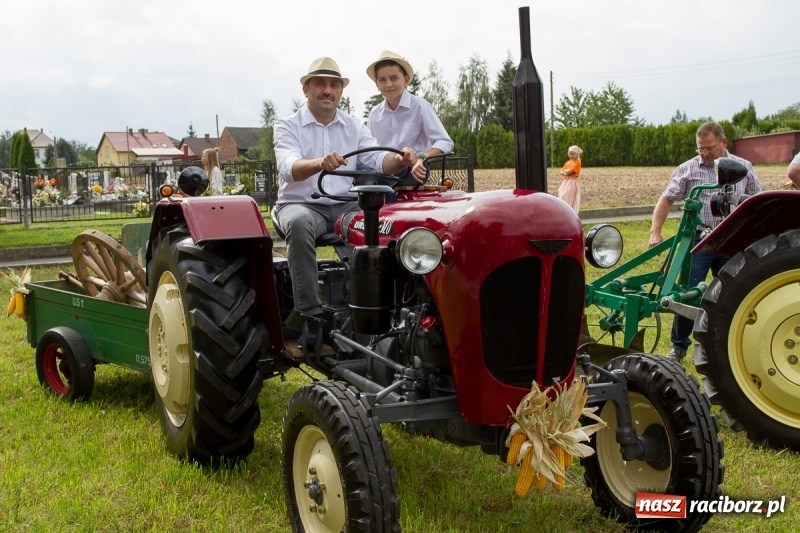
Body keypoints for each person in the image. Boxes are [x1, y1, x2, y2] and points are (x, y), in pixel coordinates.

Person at [273, 56, 419, 322]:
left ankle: (380, 306)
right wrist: (320, 162)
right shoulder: (287, 125)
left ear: (341, 90)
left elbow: (377, 158)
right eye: (320, 84)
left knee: (382, 224)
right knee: (299, 222)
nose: (327, 90)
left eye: (334, 84)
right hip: (301, 204)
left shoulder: (353, 125)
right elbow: (288, 166)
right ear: (306, 89)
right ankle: (309, 313)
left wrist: (399, 160)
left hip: (345, 207)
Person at [649, 121, 762, 361]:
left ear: (724, 142)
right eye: (700, 148)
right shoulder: (688, 169)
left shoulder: (744, 168)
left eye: (709, 148)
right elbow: (666, 199)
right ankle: (678, 347)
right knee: (687, 293)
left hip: (731, 239)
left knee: (737, 292)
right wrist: (655, 232)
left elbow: (758, 202)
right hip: (700, 241)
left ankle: (734, 344)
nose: (704, 153)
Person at [365, 50, 453, 184]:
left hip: (414, 168)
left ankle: (383, 201)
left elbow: (445, 142)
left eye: (394, 78)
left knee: (380, 184)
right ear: (377, 84)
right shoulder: (374, 114)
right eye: (382, 80)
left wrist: (422, 157)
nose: (388, 84)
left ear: (406, 80)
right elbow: (369, 149)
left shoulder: (420, 106)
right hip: (384, 169)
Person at [558, 146, 583, 213]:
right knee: (562, 195)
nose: (571, 155)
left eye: (572, 154)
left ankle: (569, 211)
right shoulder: (568, 162)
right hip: (565, 182)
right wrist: (566, 172)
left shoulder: (577, 163)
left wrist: (566, 171)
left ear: (577, 154)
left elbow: (569, 172)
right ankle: (563, 210)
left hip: (572, 182)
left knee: (568, 196)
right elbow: (561, 172)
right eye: (569, 154)